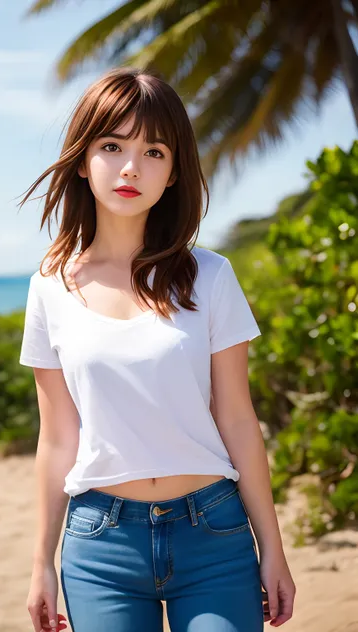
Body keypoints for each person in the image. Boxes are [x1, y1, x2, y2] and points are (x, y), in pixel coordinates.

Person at [18, 66, 295, 632]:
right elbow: (57, 437)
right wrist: (40, 563)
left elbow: (238, 419)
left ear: (173, 173)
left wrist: (274, 548)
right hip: (100, 544)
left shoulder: (211, 277)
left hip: (213, 534)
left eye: (154, 152)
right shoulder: (50, 285)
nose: (130, 168)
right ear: (83, 156)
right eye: (112, 145)